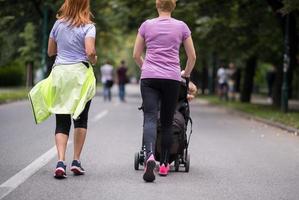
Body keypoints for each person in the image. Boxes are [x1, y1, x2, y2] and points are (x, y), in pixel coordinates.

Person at [28, 0, 97, 179]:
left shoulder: (58, 25)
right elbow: (90, 52)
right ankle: (76, 160)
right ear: (85, 5)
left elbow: (51, 51)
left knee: (62, 119)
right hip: (80, 75)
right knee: (81, 119)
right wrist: (94, 58)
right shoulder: (89, 27)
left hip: (60, 74)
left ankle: (60, 162)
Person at [133, 0, 196, 182]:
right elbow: (192, 56)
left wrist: (146, 68)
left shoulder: (146, 25)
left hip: (150, 77)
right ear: (173, 5)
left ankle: (150, 156)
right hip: (171, 78)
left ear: (157, 4)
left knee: (151, 118)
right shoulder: (181, 26)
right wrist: (185, 73)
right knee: (168, 122)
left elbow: (136, 55)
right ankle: (164, 164)